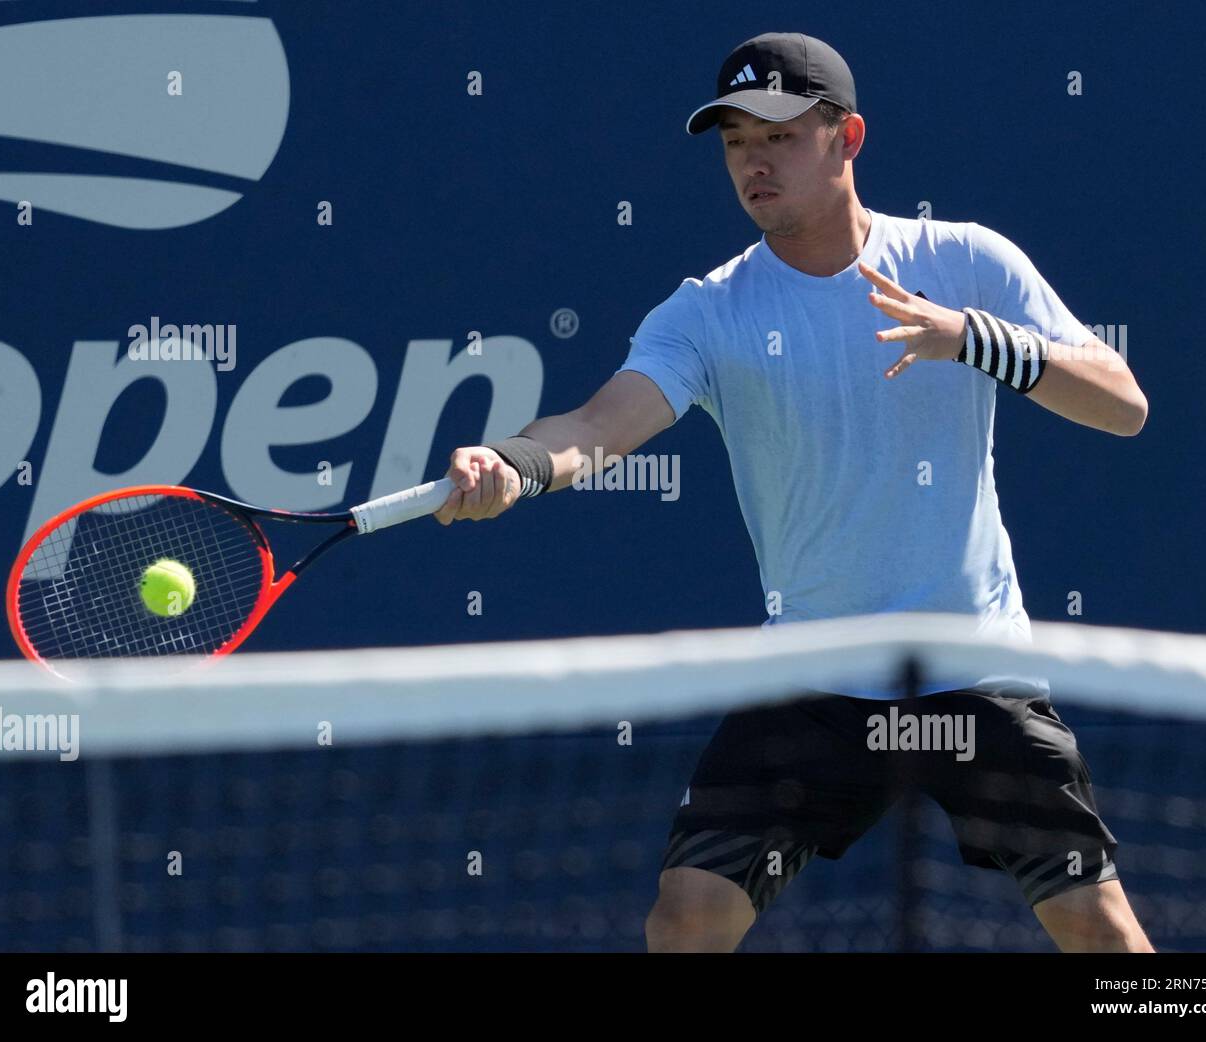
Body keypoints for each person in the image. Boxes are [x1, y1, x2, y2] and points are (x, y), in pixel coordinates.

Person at [434, 32, 1151, 953]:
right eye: (735, 142)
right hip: (813, 686)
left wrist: (972, 336)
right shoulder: (709, 312)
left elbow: (1123, 403)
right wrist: (515, 465)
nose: (753, 162)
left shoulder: (968, 261)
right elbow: (597, 428)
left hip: (977, 675)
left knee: (1102, 934)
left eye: (778, 135)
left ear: (847, 137)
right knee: (687, 917)